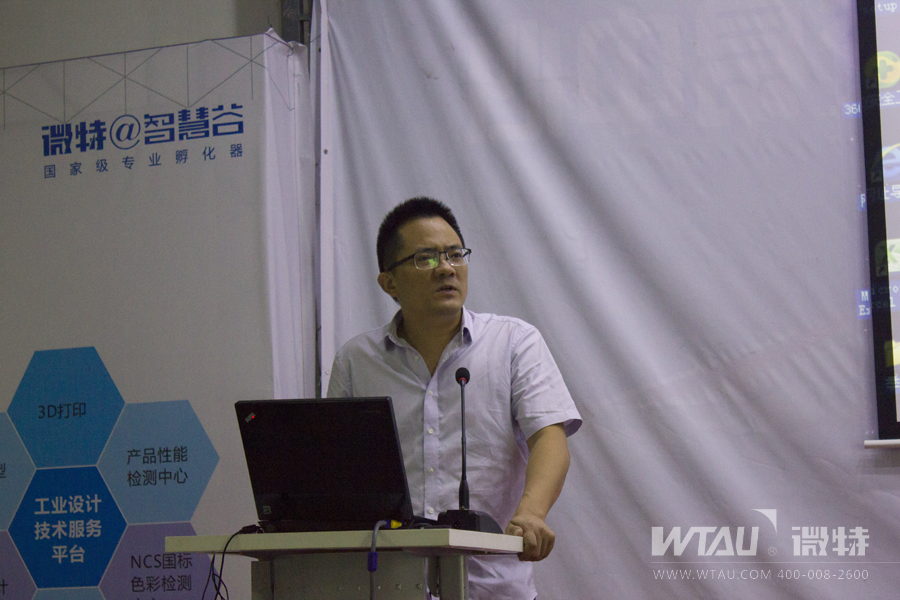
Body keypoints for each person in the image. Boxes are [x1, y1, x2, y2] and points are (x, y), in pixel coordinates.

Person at [327, 197, 581, 599]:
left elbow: (550, 437)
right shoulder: (357, 361)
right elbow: (335, 471)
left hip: (492, 588)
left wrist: (531, 513)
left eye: (455, 254)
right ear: (389, 283)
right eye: (425, 258)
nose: (446, 268)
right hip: (390, 586)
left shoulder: (513, 342)